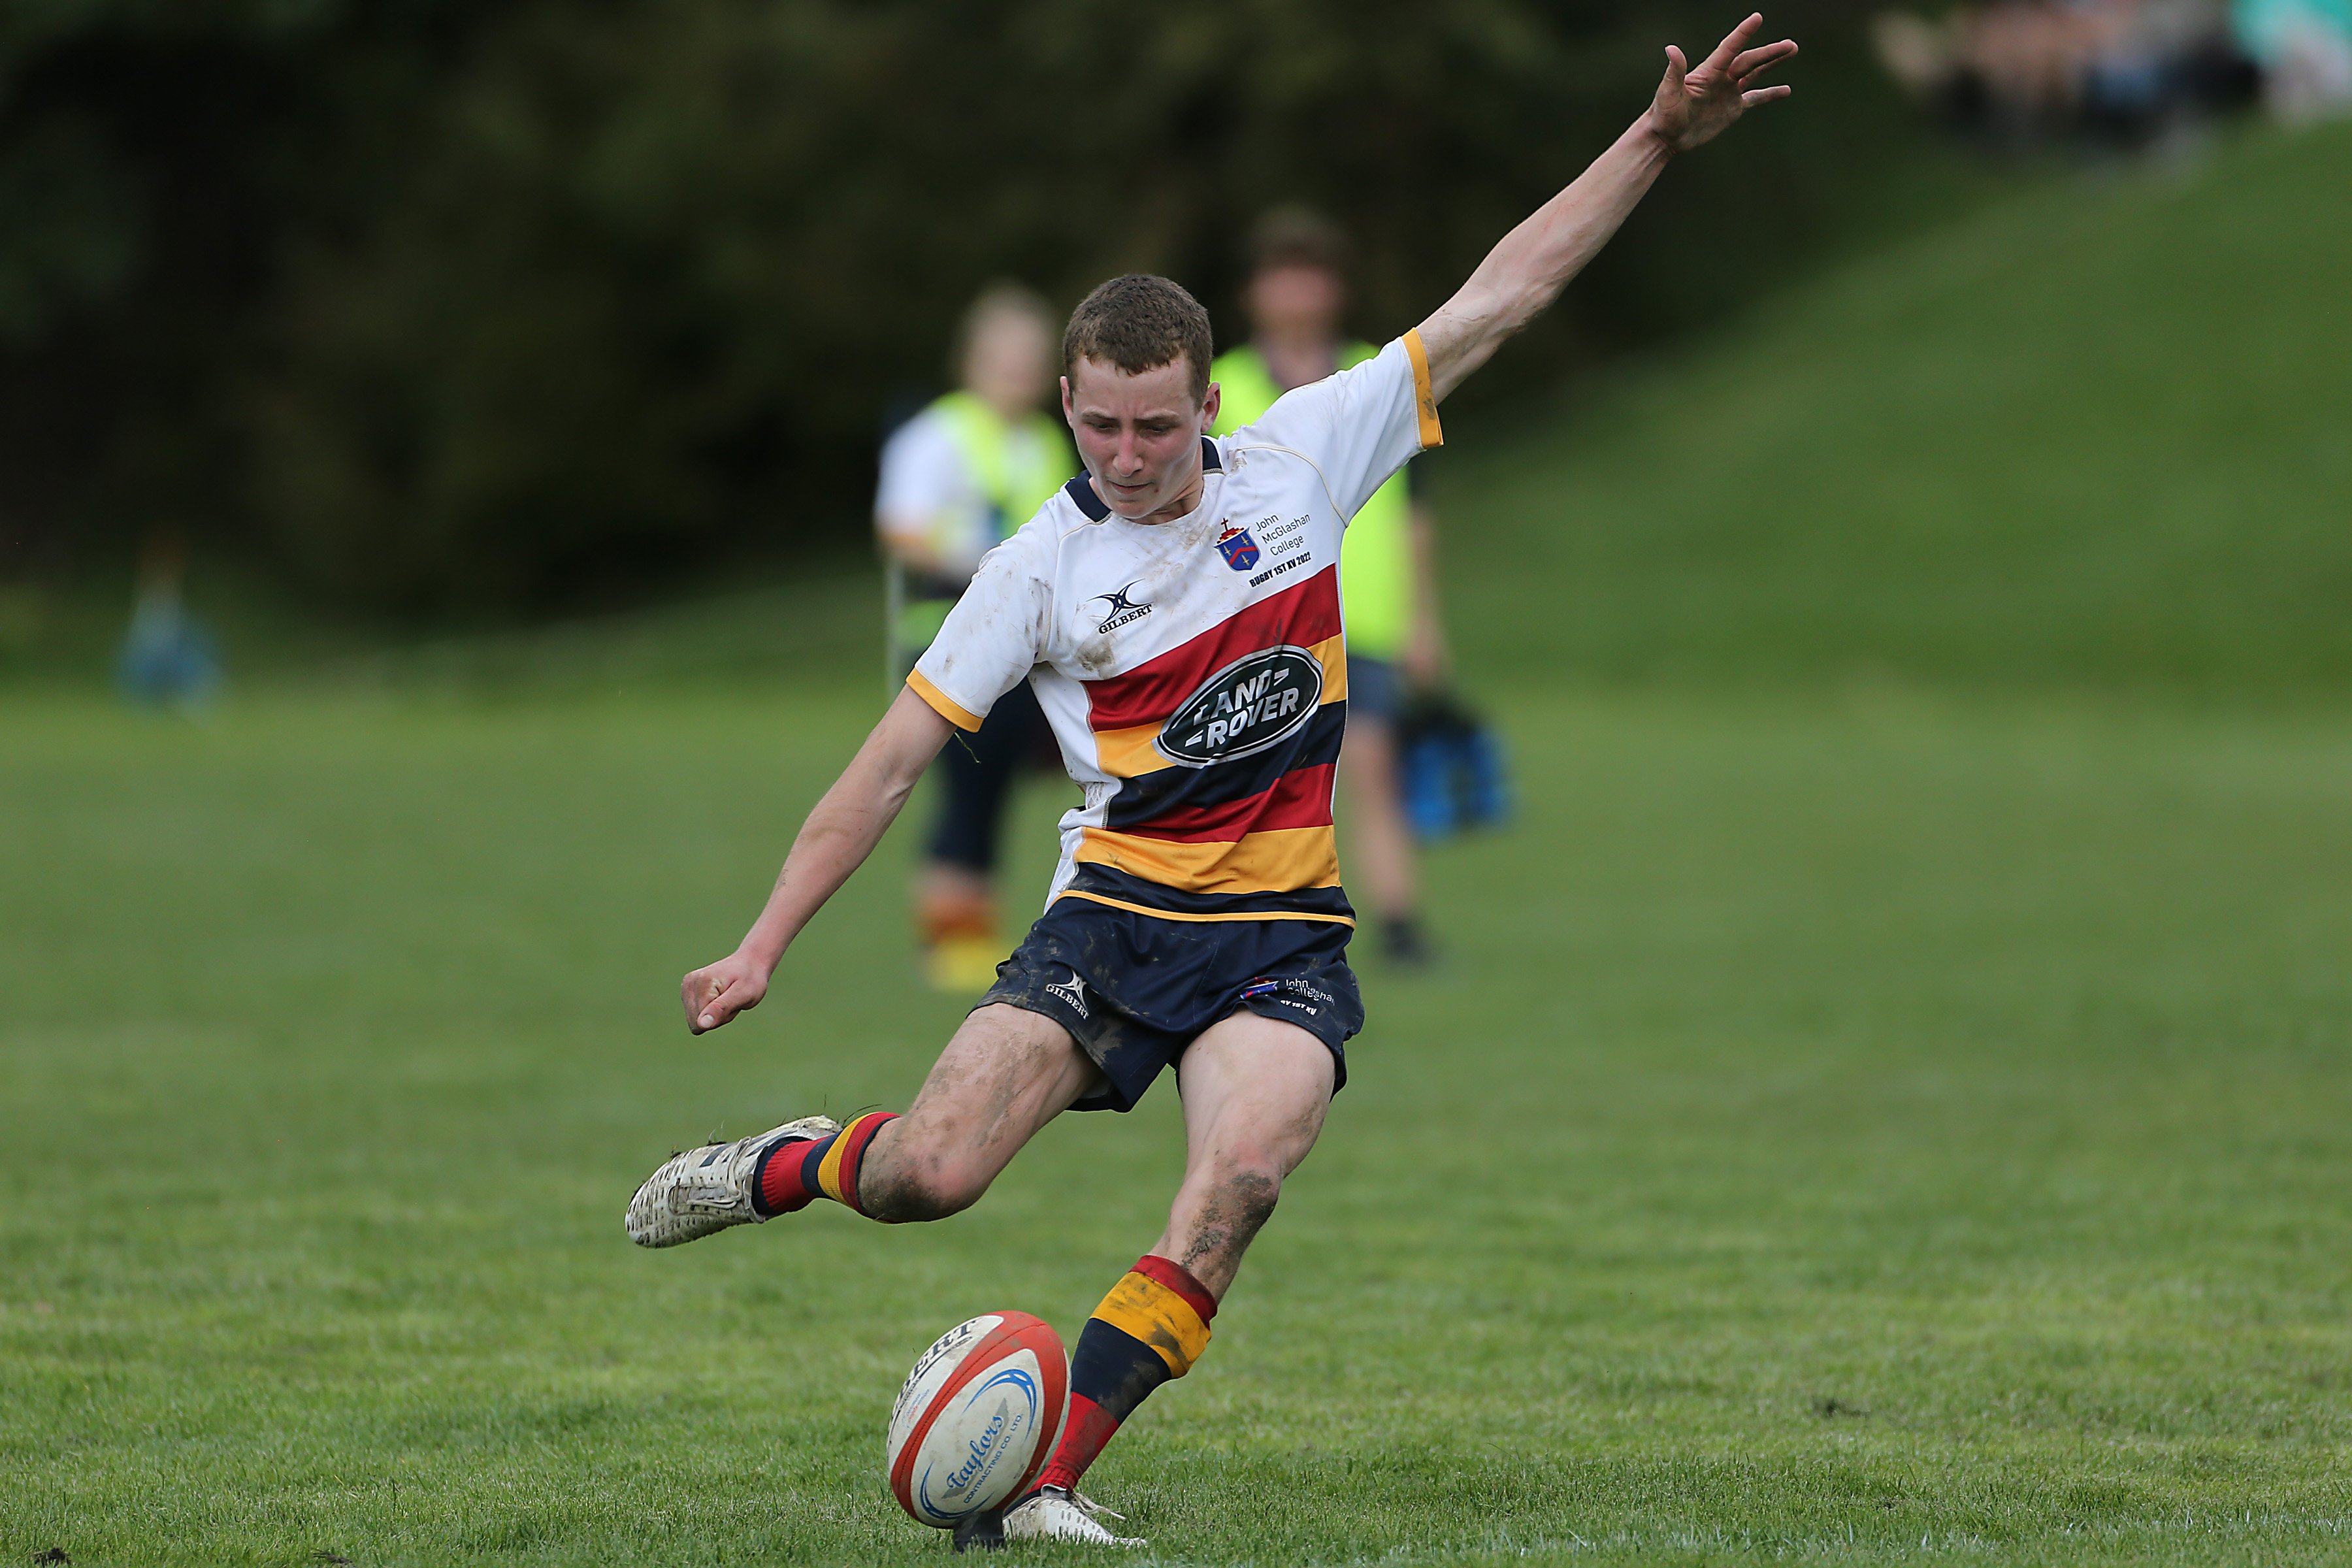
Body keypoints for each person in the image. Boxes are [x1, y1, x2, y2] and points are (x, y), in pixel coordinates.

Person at [627, 16, 1795, 1550]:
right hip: (1111, 918)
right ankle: (783, 1163)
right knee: (933, 1172)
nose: (1125, 454)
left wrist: (1651, 140)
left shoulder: (1306, 457)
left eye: (1156, 426)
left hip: (1283, 939)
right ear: (1065, 404)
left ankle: (1043, 1474)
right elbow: (888, 764)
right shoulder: (1031, 571)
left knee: (1239, 1175)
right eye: (1099, 424)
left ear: (1208, 407)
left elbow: (1504, 292)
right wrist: (765, 936)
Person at [1212, 210, 1448, 967]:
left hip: (1362, 612)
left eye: (1310, 271)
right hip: (1253, 615)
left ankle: (1401, 923)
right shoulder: (1227, 384)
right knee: (1252, 779)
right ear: (1255, 292)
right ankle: (1241, 917)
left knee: (1374, 771)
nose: (1297, 290)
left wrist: (1423, 619)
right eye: (1281, 272)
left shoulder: (1371, 375)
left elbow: (1415, 512)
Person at [875, 286, 1078, 990]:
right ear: (973, 359)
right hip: (947, 632)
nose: (1017, 372)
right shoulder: (937, 435)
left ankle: (972, 931)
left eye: (1030, 358)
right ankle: (949, 940)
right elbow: (900, 529)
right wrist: (979, 561)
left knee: (997, 785)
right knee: (963, 781)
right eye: (1005, 357)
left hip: (1026, 645)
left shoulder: (1047, 439)